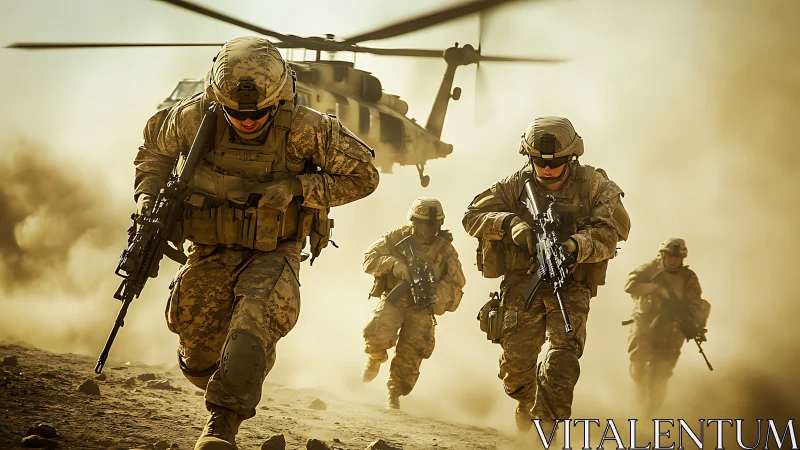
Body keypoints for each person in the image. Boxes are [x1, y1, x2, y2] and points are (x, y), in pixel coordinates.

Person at [133, 36, 379, 450]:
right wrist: (148, 199)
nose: (247, 121)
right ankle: (225, 375)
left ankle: (221, 426)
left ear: (278, 100)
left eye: (259, 113)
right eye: (235, 113)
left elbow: (364, 176)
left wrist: (298, 187)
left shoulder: (307, 128)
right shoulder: (192, 117)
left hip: (274, 249)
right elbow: (154, 152)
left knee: (251, 326)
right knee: (198, 350)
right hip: (209, 247)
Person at [463, 116, 630, 432]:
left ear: (572, 157)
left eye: (556, 162)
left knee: (562, 359)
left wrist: (573, 247)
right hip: (522, 281)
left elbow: (611, 233)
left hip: (571, 283)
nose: (547, 169)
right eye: (539, 162)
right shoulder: (514, 185)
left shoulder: (594, 186)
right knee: (515, 367)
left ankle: (544, 429)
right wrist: (511, 225)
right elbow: (471, 216)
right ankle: (526, 402)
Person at [361, 198, 466, 410]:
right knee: (376, 335)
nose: (430, 229)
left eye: (434, 224)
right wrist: (394, 265)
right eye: (425, 223)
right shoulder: (396, 238)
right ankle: (375, 358)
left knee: (412, 353)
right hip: (395, 300)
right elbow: (369, 259)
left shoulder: (445, 250)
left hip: (423, 306)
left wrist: (436, 293)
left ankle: (394, 394)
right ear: (415, 222)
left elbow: (457, 281)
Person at [624, 238, 710, 415]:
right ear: (662, 255)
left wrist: (694, 324)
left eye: (677, 258)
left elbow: (696, 302)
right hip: (645, 322)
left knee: (660, 374)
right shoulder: (650, 269)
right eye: (669, 256)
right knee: (638, 365)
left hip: (672, 329)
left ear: (682, 259)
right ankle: (639, 401)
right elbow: (630, 286)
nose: (673, 261)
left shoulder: (689, 277)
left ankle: (649, 413)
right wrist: (654, 288)